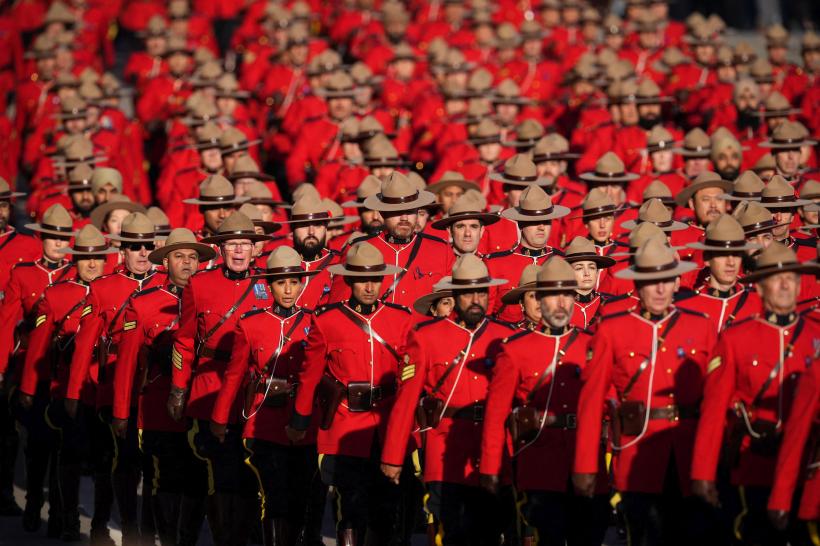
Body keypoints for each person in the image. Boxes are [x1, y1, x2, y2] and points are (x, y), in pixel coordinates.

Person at [573, 237, 716, 546]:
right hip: (639, 453)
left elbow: (715, 400)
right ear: (638, 284)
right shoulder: (613, 328)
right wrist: (587, 466)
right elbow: (591, 401)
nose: (660, 289)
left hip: (689, 452)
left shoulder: (700, 326)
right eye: (652, 281)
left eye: (666, 279)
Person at [381, 254, 515, 546]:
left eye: (482, 291)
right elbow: (406, 400)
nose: (477, 299)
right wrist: (393, 455)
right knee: (449, 532)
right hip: (446, 450)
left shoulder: (504, 337)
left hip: (491, 448)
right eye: (468, 292)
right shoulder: (427, 337)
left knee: (490, 533)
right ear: (454, 296)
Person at [691, 242, 819, 546]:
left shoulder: (815, 336)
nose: (786, 284)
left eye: (792, 277)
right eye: (777, 278)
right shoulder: (737, 339)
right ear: (760, 288)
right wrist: (703, 473)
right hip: (755, 461)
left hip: (808, 466)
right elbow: (714, 409)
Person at [288, 242, 414, 545]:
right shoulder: (327, 320)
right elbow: (310, 375)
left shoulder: (402, 319)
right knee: (351, 506)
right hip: (346, 423)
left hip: (386, 422)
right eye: (361, 279)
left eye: (375, 279)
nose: (369, 287)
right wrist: (301, 419)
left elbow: (410, 375)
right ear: (349, 280)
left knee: (385, 507)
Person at [481, 257, 610, 546]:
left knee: (590, 536)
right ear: (539, 299)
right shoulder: (515, 350)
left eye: (567, 294)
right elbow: (496, 414)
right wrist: (491, 470)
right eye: (553, 295)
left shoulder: (592, 344)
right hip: (539, 463)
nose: (561, 303)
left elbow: (609, 400)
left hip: (586, 459)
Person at [210, 246, 326, 546]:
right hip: (264, 420)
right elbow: (234, 374)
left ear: (302, 284)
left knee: (301, 496)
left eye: (294, 282)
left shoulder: (317, 323)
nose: (288, 290)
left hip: (304, 422)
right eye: (280, 282)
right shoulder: (250, 324)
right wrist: (220, 418)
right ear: (269, 284)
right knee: (273, 496)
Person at [169, 212, 272, 546]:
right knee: (221, 475)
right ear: (220, 248)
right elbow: (184, 341)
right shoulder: (199, 285)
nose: (239, 251)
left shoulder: (269, 284)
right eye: (232, 245)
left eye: (245, 244)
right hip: (211, 388)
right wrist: (178, 387)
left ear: (255, 249)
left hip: (254, 393)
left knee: (252, 474)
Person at [66, 212, 166, 544]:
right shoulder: (104, 288)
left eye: (147, 246)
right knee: (118, 461)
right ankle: (124, 525)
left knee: (152, 464)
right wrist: (74, 393)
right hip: (111, 385)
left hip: (153, 387)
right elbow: (84, 345)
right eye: (134, 247)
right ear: (121, 251)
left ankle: (150, 528)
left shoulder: (166, 284)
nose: (141, 253)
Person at [111, 228, 215, 546]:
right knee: (165, 479)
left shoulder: (212, 300)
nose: (187, 263)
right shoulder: (144, 305)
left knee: (198, 479)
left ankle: (187, 539)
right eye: (179, 256)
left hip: (200, 406)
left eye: (193, 257)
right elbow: (127, 362)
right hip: (158, 407)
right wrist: (120, 412)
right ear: (165, 262)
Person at [0, 203, 74, 534]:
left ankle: (60, 509)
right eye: (53, 237)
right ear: (41, 238)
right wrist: (1, 367)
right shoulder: (23, 273)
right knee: (38, 441)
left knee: (66, 442)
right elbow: (6, 324)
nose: (59, 244)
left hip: (68, 370)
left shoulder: (76, 273)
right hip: (33, 366)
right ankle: (32, 498)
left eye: (64, 238)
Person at [330, 172, 453, 308]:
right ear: (382, 213)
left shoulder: (441, 250)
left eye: (411, 211)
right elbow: (339, 307)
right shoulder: (358, 249)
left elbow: (450, 308)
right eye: (397, 211)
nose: (405, 218)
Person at [486, 184, 570, 323]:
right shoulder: (495, 265)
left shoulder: (564, 262)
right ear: (521, 224)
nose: (541, 227)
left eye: (546, 221)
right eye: (535, 221)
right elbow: (486, 319)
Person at [675, 214, 763, 332]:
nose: (731, 262)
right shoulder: (685, 306)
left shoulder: (758, 303)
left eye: (736, 254)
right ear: (707, 259)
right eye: (723, 254)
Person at [562, 236, 619, 329]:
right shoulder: (559, 307)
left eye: (591, 267)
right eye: (579, 268)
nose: (587, 273)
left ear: (597, 272)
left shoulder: (610, 304)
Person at [429, 189, 499, 257]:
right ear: (450, 231)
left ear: (481, 231)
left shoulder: (491, 265)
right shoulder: (437, 264)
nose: (467, 234)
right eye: (461, 226)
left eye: (473, 226)